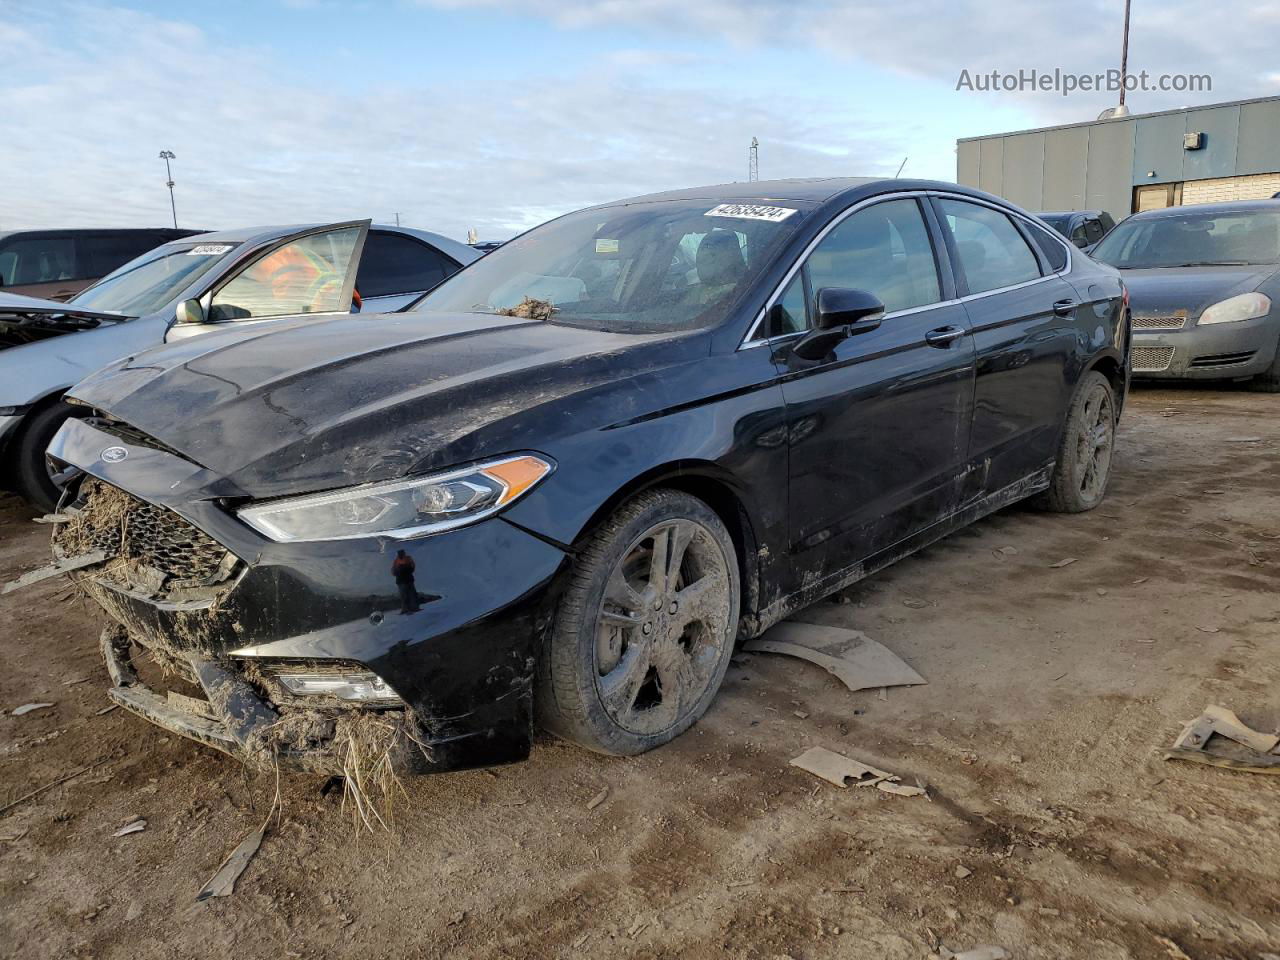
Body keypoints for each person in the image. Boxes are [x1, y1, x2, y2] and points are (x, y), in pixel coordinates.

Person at [391, 549, 420, 614]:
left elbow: (412, 567)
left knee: (410, 594)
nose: (401, 554)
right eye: (400, 553)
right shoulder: (397, 561)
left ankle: (412, 608)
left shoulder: (407, 559)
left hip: (406, 580)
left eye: (401, 553)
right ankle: (407, 608)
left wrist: (403, 570)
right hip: (403, 581)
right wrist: (399, 571)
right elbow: (393, 571)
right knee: (406, 595)